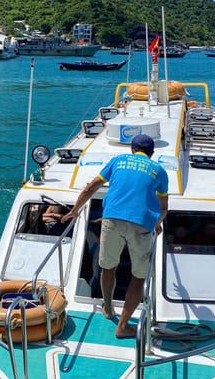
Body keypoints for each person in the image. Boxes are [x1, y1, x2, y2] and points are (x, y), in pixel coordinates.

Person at [62, 134, 168, 338]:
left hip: (112, 219)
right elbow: (163, 207)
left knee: (108, 267)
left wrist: (75, 210)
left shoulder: (118, 161)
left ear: (132, 150)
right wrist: (157, 223)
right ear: (152, 153)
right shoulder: (160, 171)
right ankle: (123, 325)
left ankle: (109, 309)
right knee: (138, 277)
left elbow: (91, 187)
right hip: (141, 224)